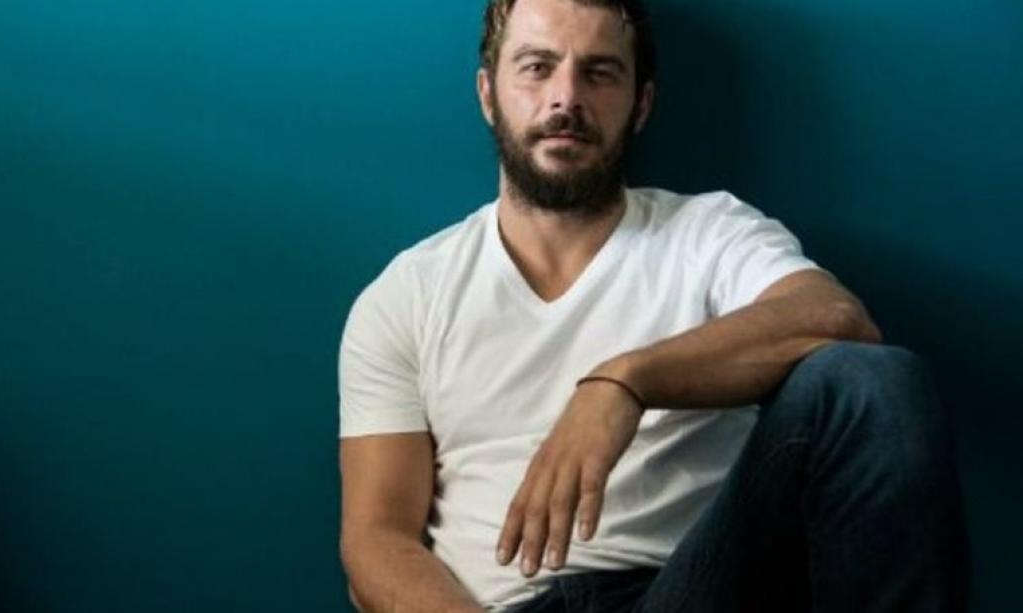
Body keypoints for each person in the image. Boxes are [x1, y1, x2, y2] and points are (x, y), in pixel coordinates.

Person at [337, 0, 967, 611]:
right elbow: (376, 541)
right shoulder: (408, 294)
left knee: (870, 380)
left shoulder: (709, 233)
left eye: (599, 72)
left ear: (640, 104)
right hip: (503, 606)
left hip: (693, 588)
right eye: (537, 67)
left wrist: (624, 382)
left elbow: (835, 318)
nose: (565, 98)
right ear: (486, 93)